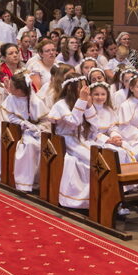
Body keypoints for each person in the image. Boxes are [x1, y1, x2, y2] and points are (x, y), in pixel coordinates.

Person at [49, 74, 94, 208]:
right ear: (71, 88)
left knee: (105, 156)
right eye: (81, 87)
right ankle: (84, 199)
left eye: (86, 86)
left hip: (80, 139)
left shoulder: (79, 101)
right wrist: (82, 100)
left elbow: (95, 124)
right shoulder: (60, 104)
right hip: (65, 141)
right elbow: (74, 122)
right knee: (92, 160)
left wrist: (89, 106)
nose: (85, 90)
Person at [3, 71, 49, 191]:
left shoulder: (35, 101)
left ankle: (37, 181)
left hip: (35, 131)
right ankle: (24, 182)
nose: (9, 87)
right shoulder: (11, 99)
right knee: (29, 145)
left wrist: (39, 128)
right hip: (18, 131)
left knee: (43, 146)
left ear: (19, 90)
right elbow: (9, 116)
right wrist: (23, 123)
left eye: (11, 86)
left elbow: (45, 120)